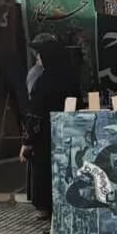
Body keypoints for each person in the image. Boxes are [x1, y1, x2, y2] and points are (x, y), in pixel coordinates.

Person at [20, 33, 81, 223]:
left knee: (46, 174)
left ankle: (51, 213)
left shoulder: (44, 81)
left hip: (45, 138)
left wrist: (27, 141)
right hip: (70, 135)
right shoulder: (71, 78)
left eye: (40, 54)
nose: (38, 58)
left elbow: (35, 113)